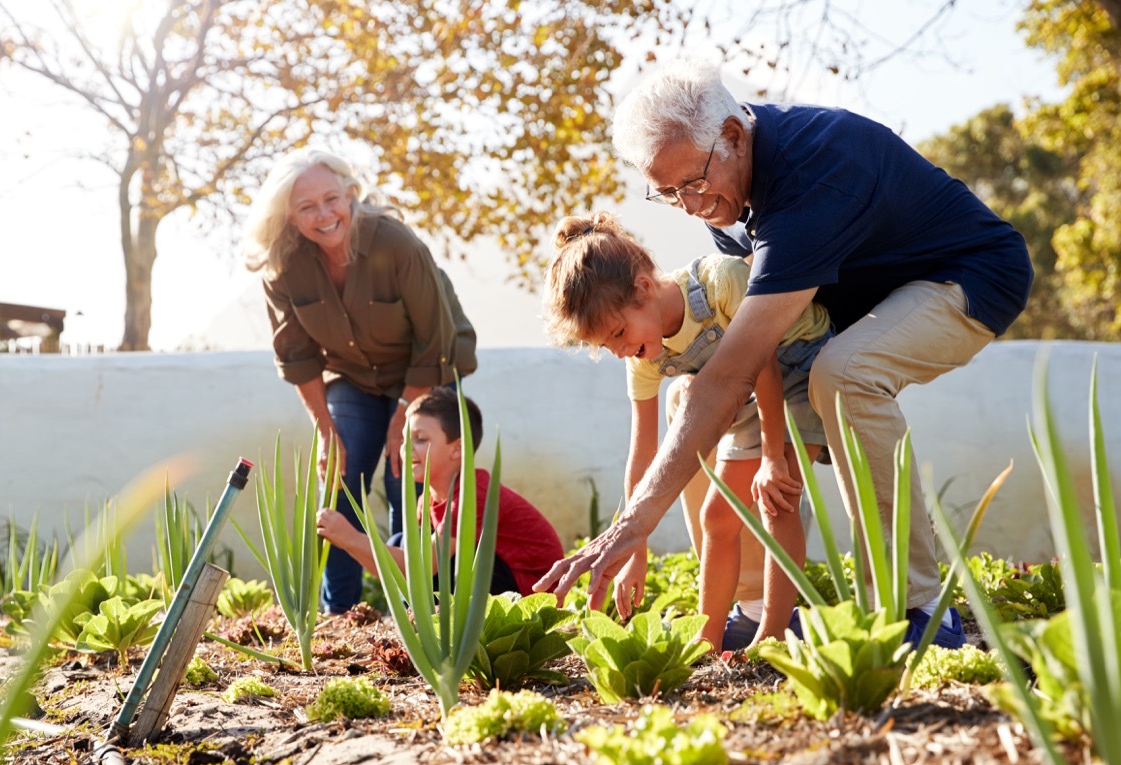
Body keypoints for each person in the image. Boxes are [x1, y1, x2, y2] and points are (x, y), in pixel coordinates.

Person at [536, 57, 1033, 649]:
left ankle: (916, 607)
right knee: (686, 397)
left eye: (693, 183)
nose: (691, 206)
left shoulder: (812, 175)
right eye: (670, 194)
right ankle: (752, 602)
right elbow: (726, 372)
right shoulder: (728, 201)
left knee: (845, 373)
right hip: (859, 308)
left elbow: (736, 369)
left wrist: (633, 524)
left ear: (732, 134)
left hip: (969, 275)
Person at [543, 212, 831, 649]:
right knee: (717, 516)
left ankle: (772, 636)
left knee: (777, 501)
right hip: (749, 390)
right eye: (608, 346)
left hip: (801, 367)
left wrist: (772, 458)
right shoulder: (642, 358)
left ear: (643, 288)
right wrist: (633, 552)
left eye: (620, 332)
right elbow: (642, 455)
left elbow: (766, 366)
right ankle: (706, 640)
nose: (622, 351)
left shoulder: (721, 283)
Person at [241, 149, 477, 614]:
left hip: (428, 369)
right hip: (351, 376)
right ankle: (341, 615)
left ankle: (411, 612)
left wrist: (401, 421)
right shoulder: (282, 265)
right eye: (306, 207)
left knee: (404, 476)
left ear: (351, 194)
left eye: (332, 199)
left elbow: (436, 341)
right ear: (287, 215)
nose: (324, 215)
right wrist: (325, 431)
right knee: (340, 474)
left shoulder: (396, 243)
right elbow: (298, 358)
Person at [315, 387, 566, 595]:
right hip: (496, 583)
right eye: (405, 439)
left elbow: (420, 568)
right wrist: (348, 542)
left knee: (430, 559)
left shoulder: (472, 493)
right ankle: (425, 625)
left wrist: (350, 537)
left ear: (457, 449)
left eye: (421, 439)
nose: (407, 448)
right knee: (400, 543)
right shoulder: (428, 500)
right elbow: (402, 572)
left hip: (528, 596)